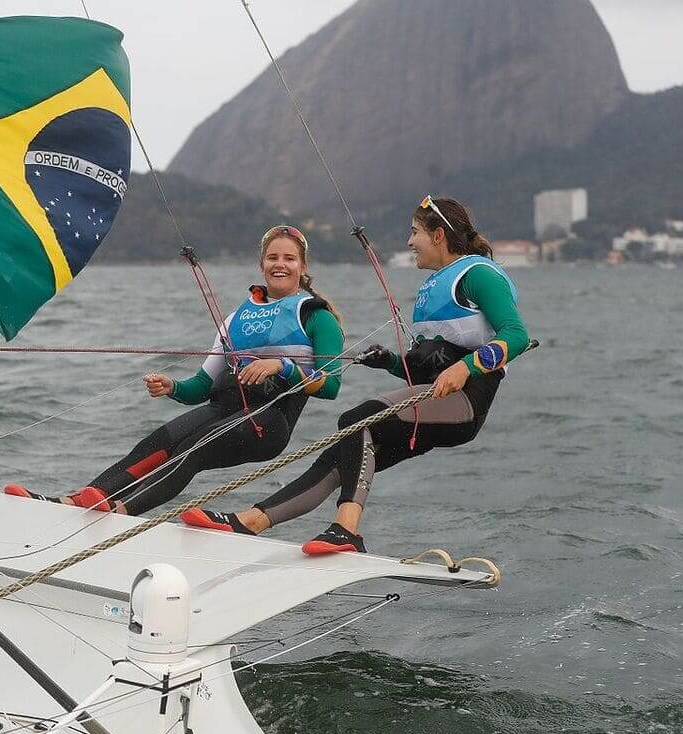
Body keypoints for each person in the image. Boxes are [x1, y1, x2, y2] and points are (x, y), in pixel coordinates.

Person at [182, 196, 529, 555]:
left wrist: (465, 367)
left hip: (466, 401)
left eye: (414, 233)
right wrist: (391, 362)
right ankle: (249, 521)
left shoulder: (478, 275)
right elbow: (426, 365)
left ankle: (346, 530)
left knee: (356, 419)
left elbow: (515, 334)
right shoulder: (435, 286)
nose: (409, 243)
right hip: (434, 398)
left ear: (438, 235)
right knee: (340, 456)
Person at [5, 225, 345, 516]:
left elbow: (331, 386)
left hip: (269, 423)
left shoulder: (317, 317)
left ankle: (119, 512)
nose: (280, 265)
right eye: (273, 258)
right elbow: (201, 384)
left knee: (193, 447)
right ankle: (77, 501)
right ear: (262, 264)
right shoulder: (236, 319)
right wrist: (172, 387)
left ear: (302, 266)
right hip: (222, 408)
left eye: (289, 259)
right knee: (159, 441)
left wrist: (282, 367)